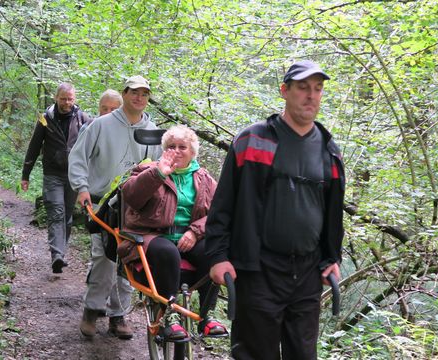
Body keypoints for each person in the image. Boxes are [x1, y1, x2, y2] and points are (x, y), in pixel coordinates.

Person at [205, 60, 345, 360]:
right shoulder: (253, 139)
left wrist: (331, 257)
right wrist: (218, 256)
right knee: (256, 353)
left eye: (318, 89)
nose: (311, 95)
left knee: (303, 354)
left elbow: (332, 212)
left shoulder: (329, 149)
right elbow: (223, 204)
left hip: (307, 272)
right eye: (303, 88)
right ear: (284, 91)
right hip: (258, 269)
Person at [68, 75, 162, 339]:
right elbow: (78, 156)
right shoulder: (101, 125)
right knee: (103, 259)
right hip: (102, 205)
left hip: (135, 209)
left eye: (144, 94)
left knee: (130, 261)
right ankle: (92, 309)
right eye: (134, 92)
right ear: (125, 94)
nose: (139, 98)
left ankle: (118, 315)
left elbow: (158, 167)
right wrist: (82, 187)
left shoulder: (152, 130)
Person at [121, 125, 228, 341]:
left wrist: (196, 232)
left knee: (214, 252)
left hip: (190, 237)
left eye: (182, 147)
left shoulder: (204, 178)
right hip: (152, 236)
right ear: (164, 149)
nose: (177, 151)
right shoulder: (148, 169)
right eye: (171, 146)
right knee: (168, 252)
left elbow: (219, 213)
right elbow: (131, 196)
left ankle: (206, 316)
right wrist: (158, 173)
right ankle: (168, 315)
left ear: (193, 152)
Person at [21, 82, 90, 274]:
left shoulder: (83, 119)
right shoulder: (45, 119)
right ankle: (57, 254)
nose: (66, 103)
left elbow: (94, 146)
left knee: (67, 216)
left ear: (74, 99)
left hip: (74, 176)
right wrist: (25, 175)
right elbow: (34, 147)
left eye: (70, 99)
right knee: (56, 213)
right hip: (52, 173)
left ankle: (61, 253)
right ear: (56, 98)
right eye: (63, 99)